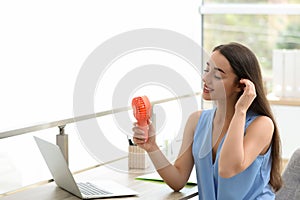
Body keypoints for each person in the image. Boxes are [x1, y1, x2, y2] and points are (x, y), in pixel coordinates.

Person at [132, 42, 282, 199]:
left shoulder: (261, 125)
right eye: (206, 70)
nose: (205, 78)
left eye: (217, 75)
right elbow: (178, 180)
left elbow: (227, 168)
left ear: (241, 86)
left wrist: (240, 111)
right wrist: (152, 147)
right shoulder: (196, 121)